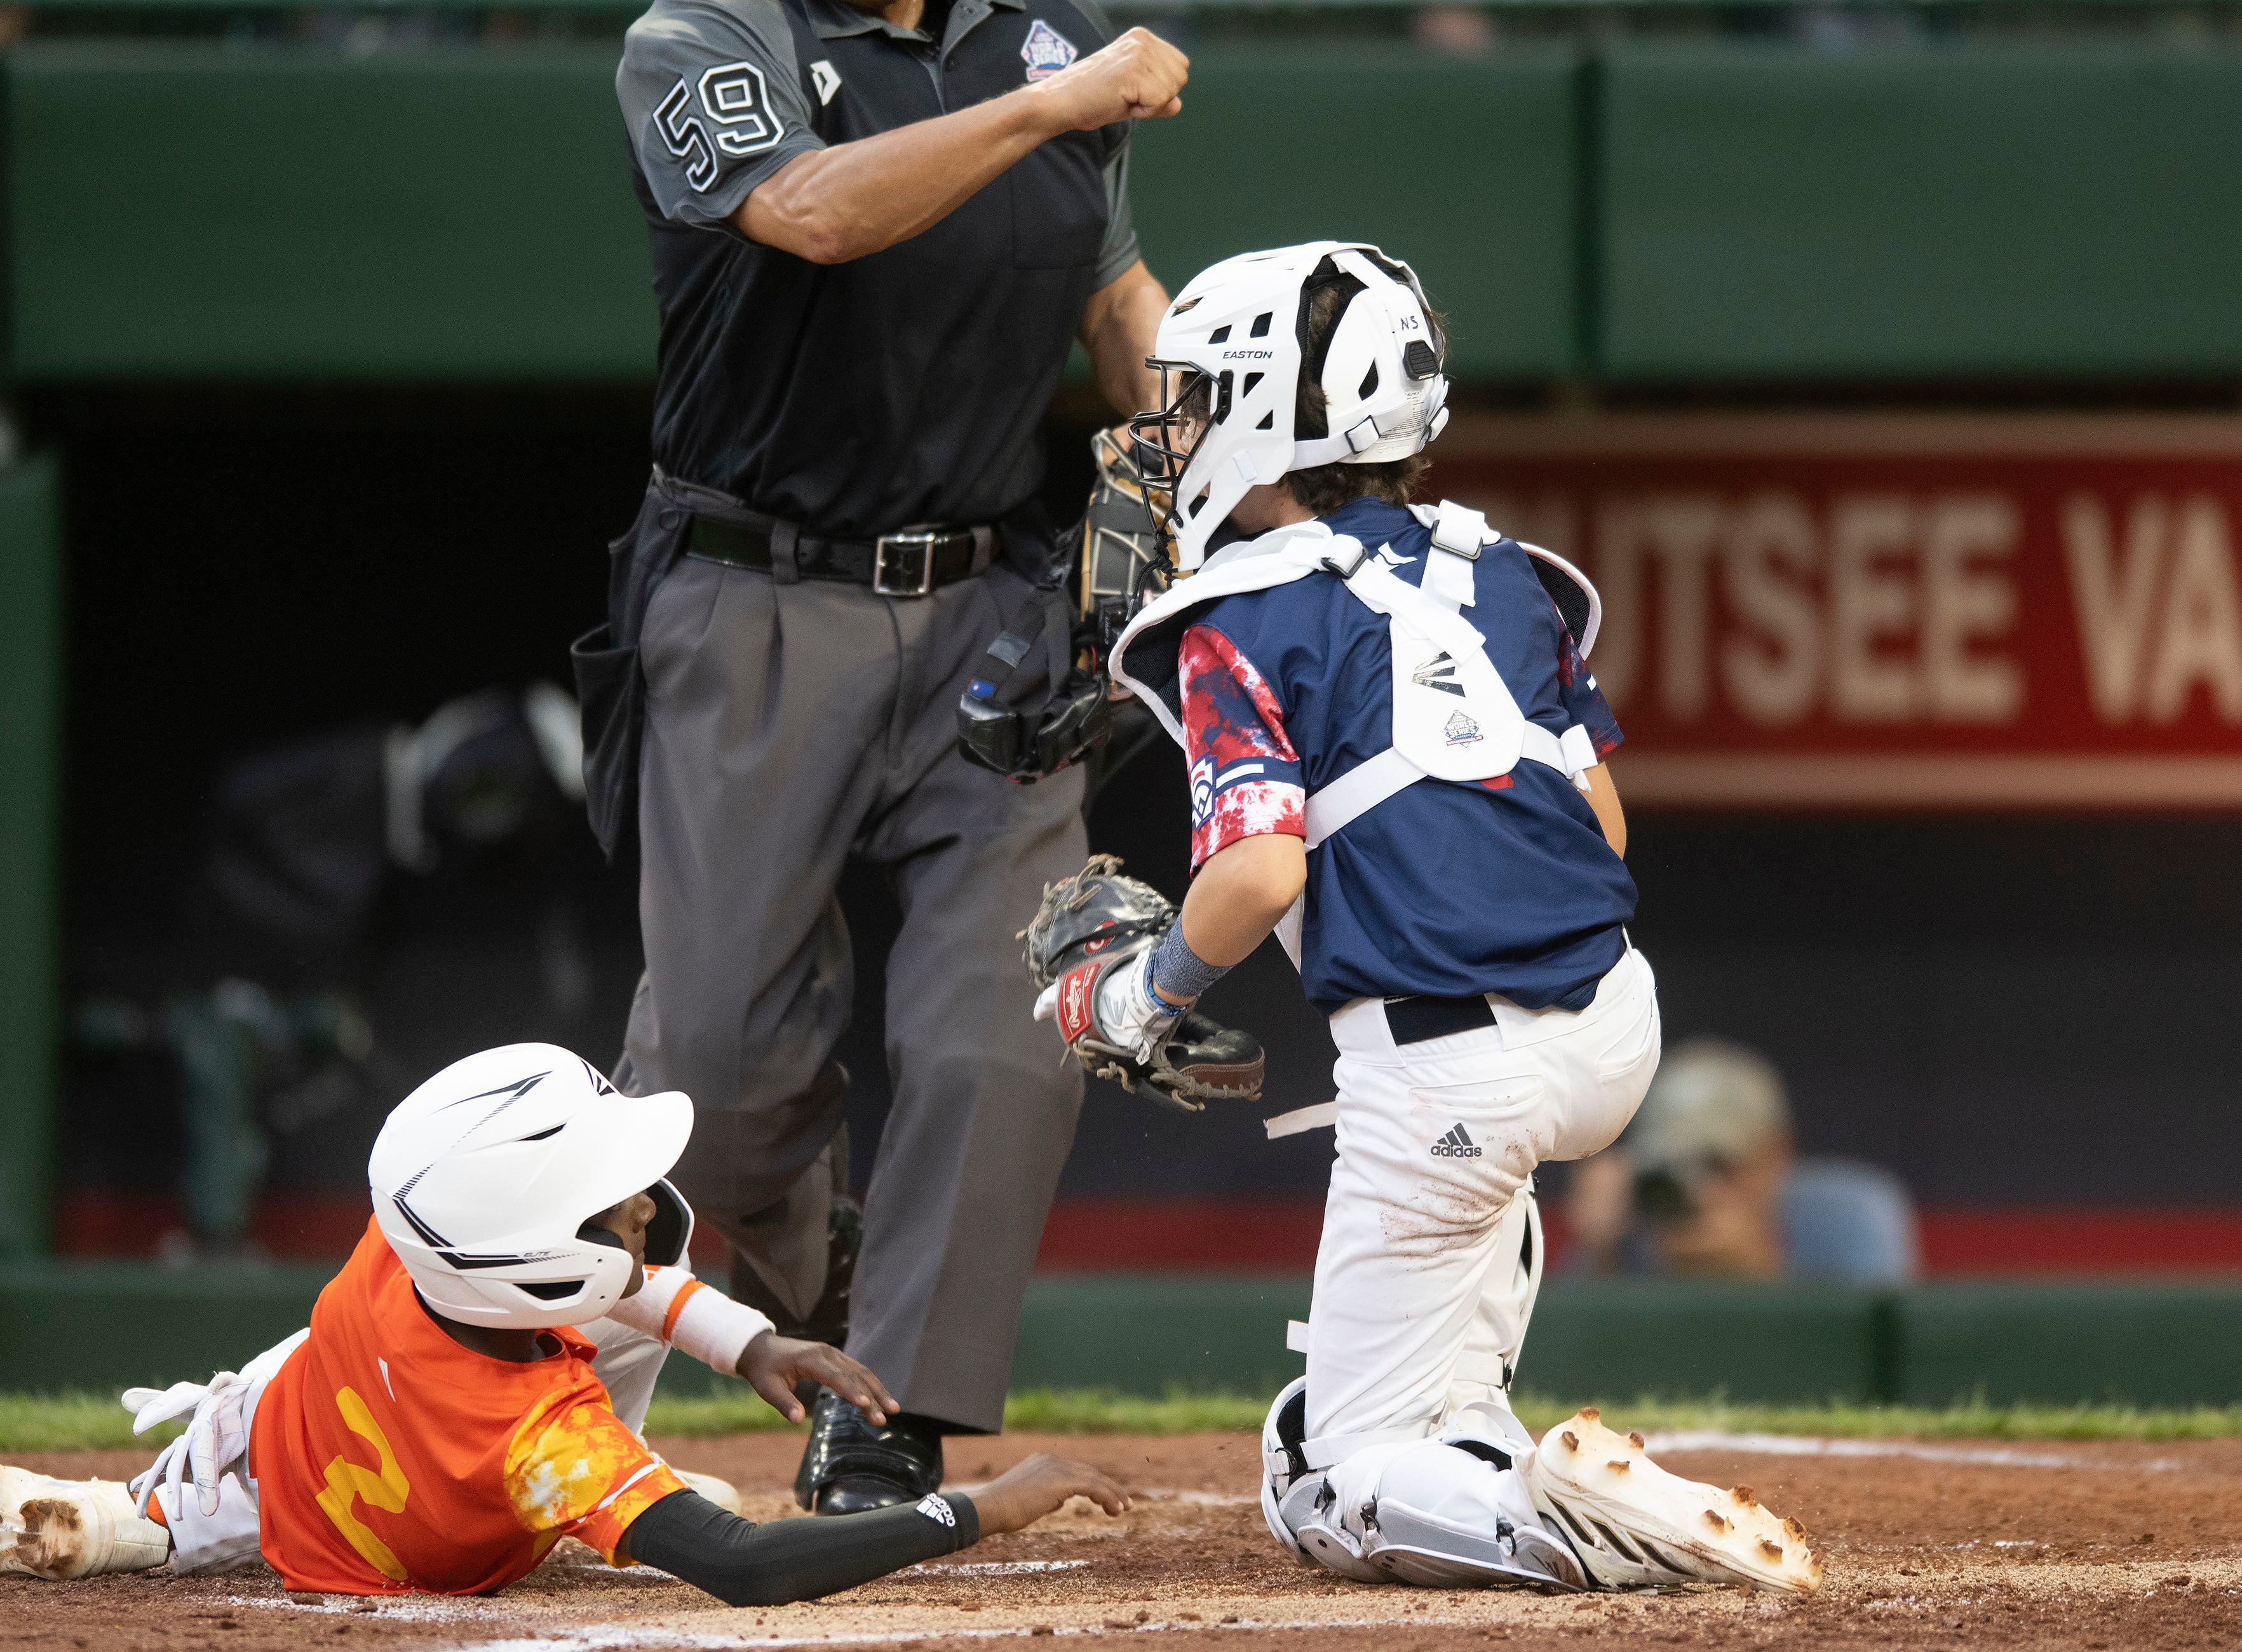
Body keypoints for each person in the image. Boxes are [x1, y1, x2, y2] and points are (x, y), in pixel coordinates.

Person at [1033, 242, 1820, 1594]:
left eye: (1205, 397)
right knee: (1420, 1318)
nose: (1178, 429)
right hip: (1616, 1024)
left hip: (1454, 1064)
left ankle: (1589, 1532)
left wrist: (1137, 996)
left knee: (1327, 1480)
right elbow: (1603, 824)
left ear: (1279, 410)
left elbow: (1260, 875)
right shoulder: (1500, 566)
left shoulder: (1235, 612)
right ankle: (1473, 1421)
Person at [576, 0, 1189, 1515]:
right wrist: (1057, 108)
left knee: (1010, 1019)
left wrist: (1209, 458)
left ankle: (889, 1405)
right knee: (705, 1082)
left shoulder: (1046, 45)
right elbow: (810, 210)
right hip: (754, 591)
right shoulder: (705, 33)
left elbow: (1118, 312)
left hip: (991, 607)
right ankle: (811, 1254)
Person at [0, 1045, 1127, 1597]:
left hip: (311, 1408)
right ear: (534, 1256)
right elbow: (745, 1567)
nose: (640, 1215)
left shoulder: (402, 1243)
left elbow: (593, 1284)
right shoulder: (546, 1436)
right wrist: (977, 1508)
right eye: (605, 1212)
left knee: (294, 1372)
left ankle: (153, 1501)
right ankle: (149, 1518)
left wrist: (748, 1339)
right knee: (643, 1495)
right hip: (379, 1531)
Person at [1565, 1037, 1921, 1284]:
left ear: (1776, 1154)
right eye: (1675, 1162)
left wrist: (1757, 1275)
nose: (1700, 1186)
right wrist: (1601, 1257)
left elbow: (1880, 1363)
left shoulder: (1850, 1215)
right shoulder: (1636, 1218)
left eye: (1718, 1163)